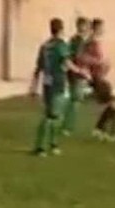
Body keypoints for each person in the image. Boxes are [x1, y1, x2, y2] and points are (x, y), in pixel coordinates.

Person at [28, 18, 86, 157]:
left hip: (47, 83)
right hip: (58, 82)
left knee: (52, 114)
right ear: (61, 29)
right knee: (53, 116)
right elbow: (66, 62)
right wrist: (80, 71)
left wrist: (34, 86)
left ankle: (53, 145)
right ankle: (41, 147)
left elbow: (38, 68)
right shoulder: (61, 45)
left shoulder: (45, 45)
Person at [83, 18, 115, 142]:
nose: (103, 30)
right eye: (101, 27)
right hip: (96, 78)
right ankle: (105, 132)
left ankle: (103, 131)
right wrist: (99, 62)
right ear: (95, 28)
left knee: (113, 103)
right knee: (114, 102)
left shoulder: (95, 42)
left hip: (100, 77)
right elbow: (83, 58)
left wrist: (105, 66)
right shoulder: (91, 42)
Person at [60, 17, 91, 136]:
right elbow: (77, 57)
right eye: (85, 25)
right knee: (75, 100)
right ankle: (67, 126)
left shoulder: (80, 40)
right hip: (77, 72)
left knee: (75, 99)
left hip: (78, 72)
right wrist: (83, 69)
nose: (87, 28)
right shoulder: (77, 41)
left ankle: (66, 124)